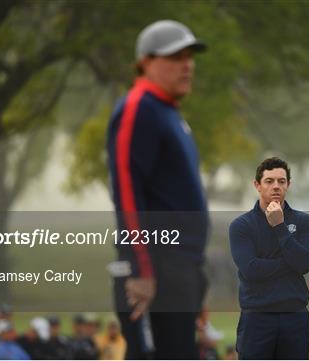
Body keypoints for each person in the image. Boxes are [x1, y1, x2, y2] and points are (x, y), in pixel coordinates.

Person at [107, 19, 209, 359]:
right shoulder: (139, 108)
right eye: (175, 57)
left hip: (179, 271)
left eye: (189, 56)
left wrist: (195, 281)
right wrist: (140, 270)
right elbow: (126, 192)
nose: (186, 65)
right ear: (145, 62)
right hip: (153, 271)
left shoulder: (170, 114)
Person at [229, 157, 309, 359]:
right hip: (256, 318)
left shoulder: (305, 222)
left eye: (281, 181)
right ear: (257, 185)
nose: (276, 186)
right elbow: (251, 270)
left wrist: (279, 226)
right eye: (269, 181)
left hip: (295, 317)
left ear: (288, 185)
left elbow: (304, 264)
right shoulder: (241, 226)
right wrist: (290, 262)